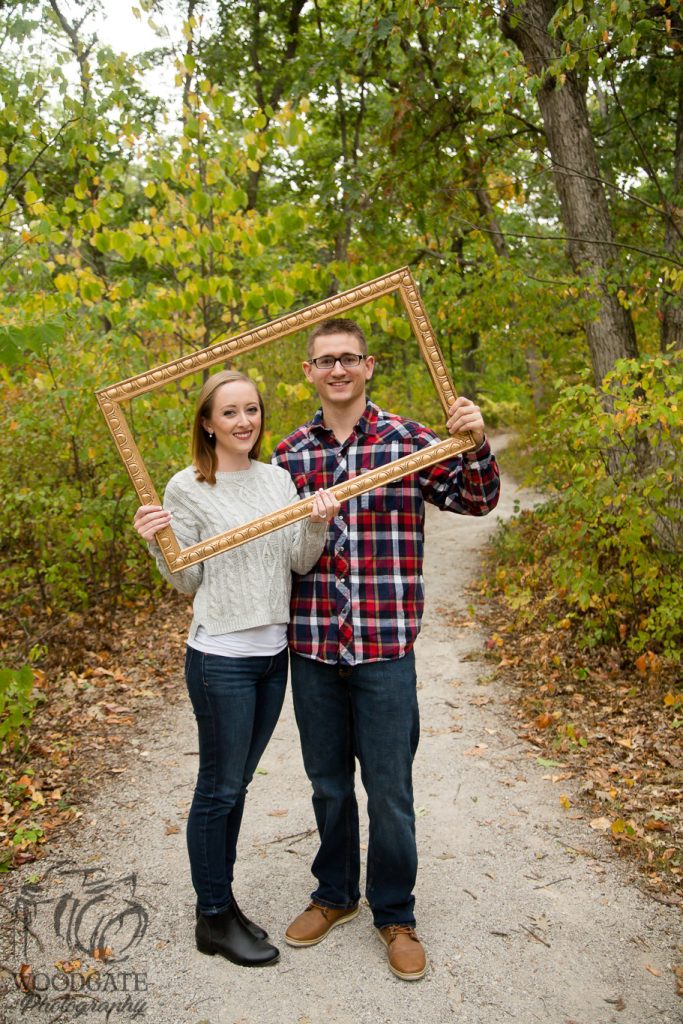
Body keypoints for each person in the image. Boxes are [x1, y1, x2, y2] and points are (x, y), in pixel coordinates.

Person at [272, 319, 500, 981]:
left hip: (384, 648)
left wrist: (476, 442)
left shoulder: (406, 440)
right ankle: (335, 894)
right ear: (309, 372)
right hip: (312, 647)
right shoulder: (287, 456)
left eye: (348, 358)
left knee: (390, 792)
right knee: (326, 784)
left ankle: (394, 912)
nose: (337, 369)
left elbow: (476, 500)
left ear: (368, 366)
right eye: (324, 360)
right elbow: (268, 549)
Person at [133, 369, 338, 968]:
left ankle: (220, 904)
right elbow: (187, 580)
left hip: (274, 658)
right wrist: (159, 542)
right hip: (221, 658)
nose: (244, 421)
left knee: (236, 786)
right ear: (207, 422)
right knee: (219, 789)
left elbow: (299, 563)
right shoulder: (186, 488)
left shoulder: (279, 480)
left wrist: (317, 521)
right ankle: (213, 918)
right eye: (230, 413)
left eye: (251, 409)